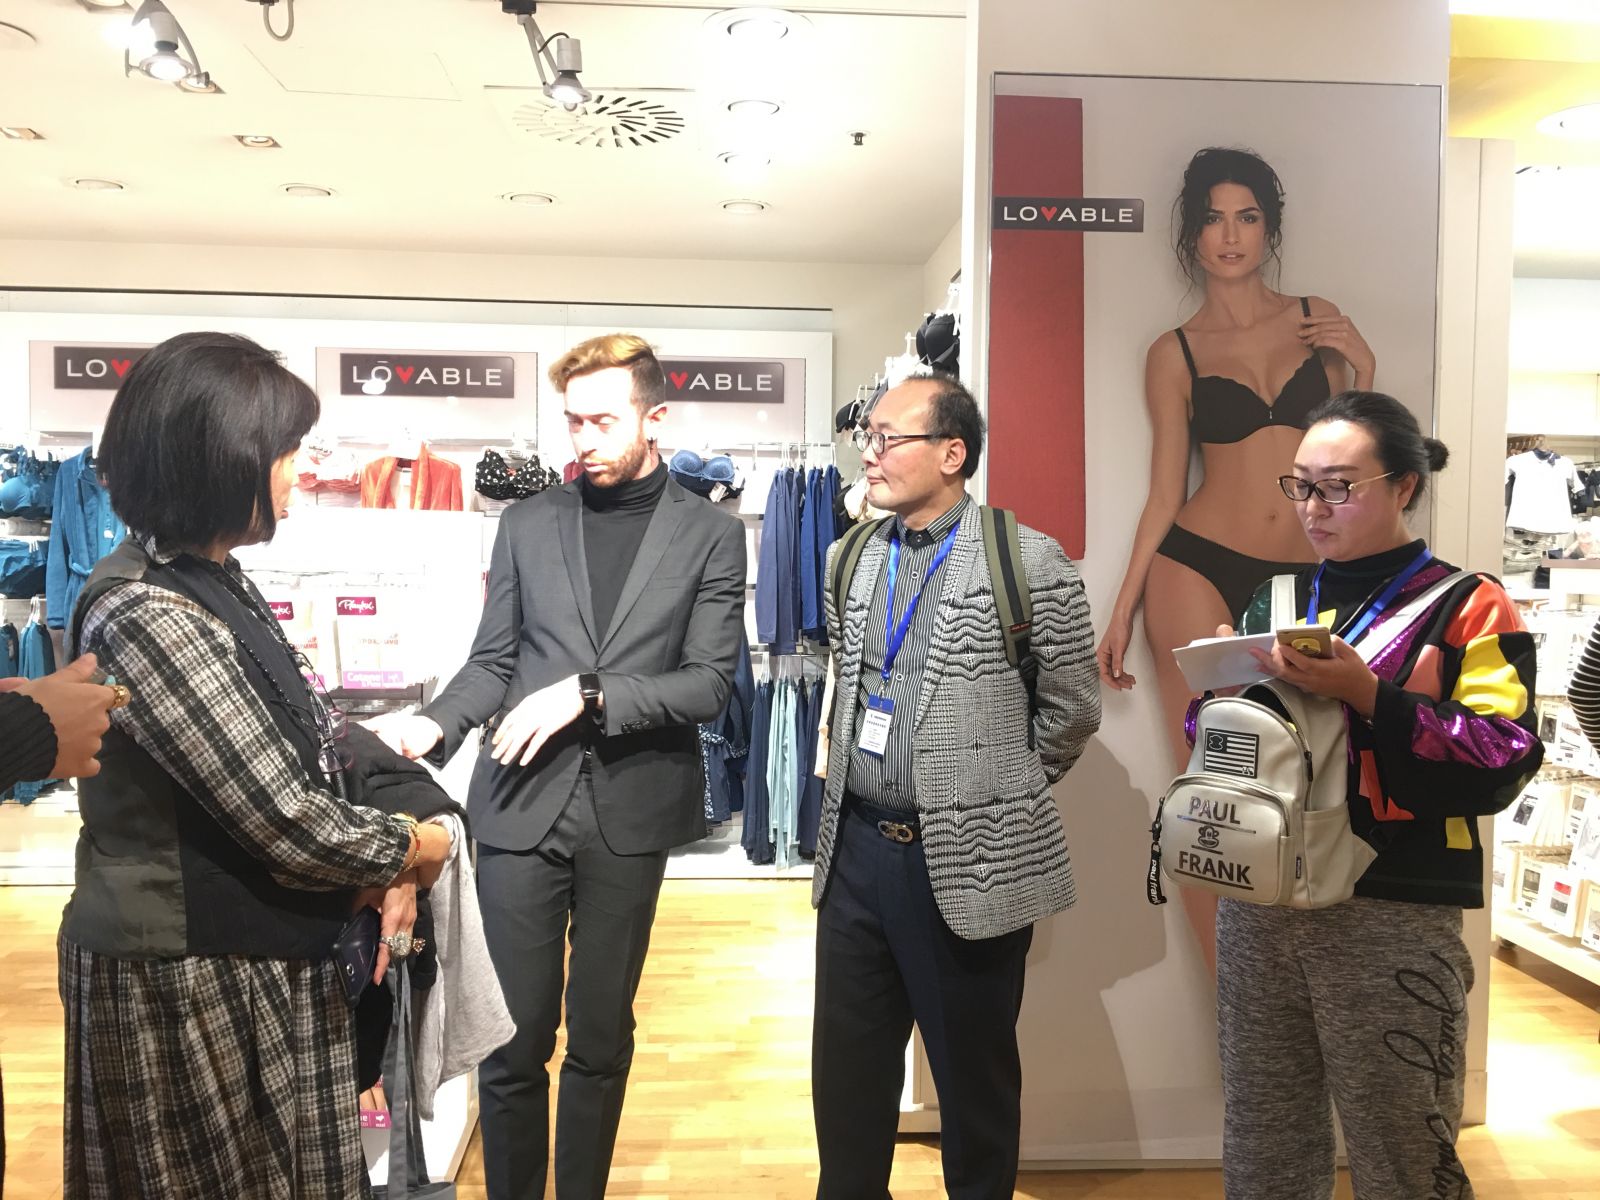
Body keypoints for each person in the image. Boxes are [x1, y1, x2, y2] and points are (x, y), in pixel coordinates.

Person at [60, 331, 453, 1200]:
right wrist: (418, 845)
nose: (298, 471)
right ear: (220, 458)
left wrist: (408, 816)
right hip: (185, 978)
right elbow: (284, 818)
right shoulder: (146, 611)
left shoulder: (214, 579)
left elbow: (315, 727)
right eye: (284, 450)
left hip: (250, 956)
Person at [368, 333, 747, 1200]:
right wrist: (432, 725)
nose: (583, 439)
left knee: (601, 1040)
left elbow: (708, 685)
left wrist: (590, 693)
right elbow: (492, 660)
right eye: (573, 420)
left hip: (631, 811)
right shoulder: (528, 522)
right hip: (518, 805)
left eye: (603, 420)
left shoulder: (711, 536)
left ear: (655, 418)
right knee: (511, 1040)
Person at [1220, 391, 1541, 1199]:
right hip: (1262, 897)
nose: (1313, 507)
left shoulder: (1470, 604)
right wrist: (1221, 695)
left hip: (1394, 901)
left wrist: (1370, 696)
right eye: (1301, 485)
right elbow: (1232, 748)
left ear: (1404, 486)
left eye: (1338, 487)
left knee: (1403, 1145)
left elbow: (1503, 756)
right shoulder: (1277, 600)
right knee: (1264, 1134)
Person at [810, 373, 1100, 1199]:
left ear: (951, 453)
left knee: (974, 1087)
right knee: (846, 1083)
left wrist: (993, 789)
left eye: (887, 437)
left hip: (970, 859)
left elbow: (1073, 710)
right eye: (866, 437)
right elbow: (847, 680)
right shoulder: (849, 556)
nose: (870, 454)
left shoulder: (1028, 560)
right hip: (855, 850)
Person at [1096, 147, 1379, 967]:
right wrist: (1121, 610)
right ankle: (1234, 1015)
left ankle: (1302, 998)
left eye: (1247, 217)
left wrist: (1364, 363)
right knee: (1211, 803)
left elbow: (1362, 459)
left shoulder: (1317, 320)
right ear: (1191, 235)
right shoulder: (1174, 351)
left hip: (1310, 575)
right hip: (1197, 568)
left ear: (1269, 229)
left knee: (1319, 781)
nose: (1230, 235)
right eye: (1214, 218)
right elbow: (1164, 492)